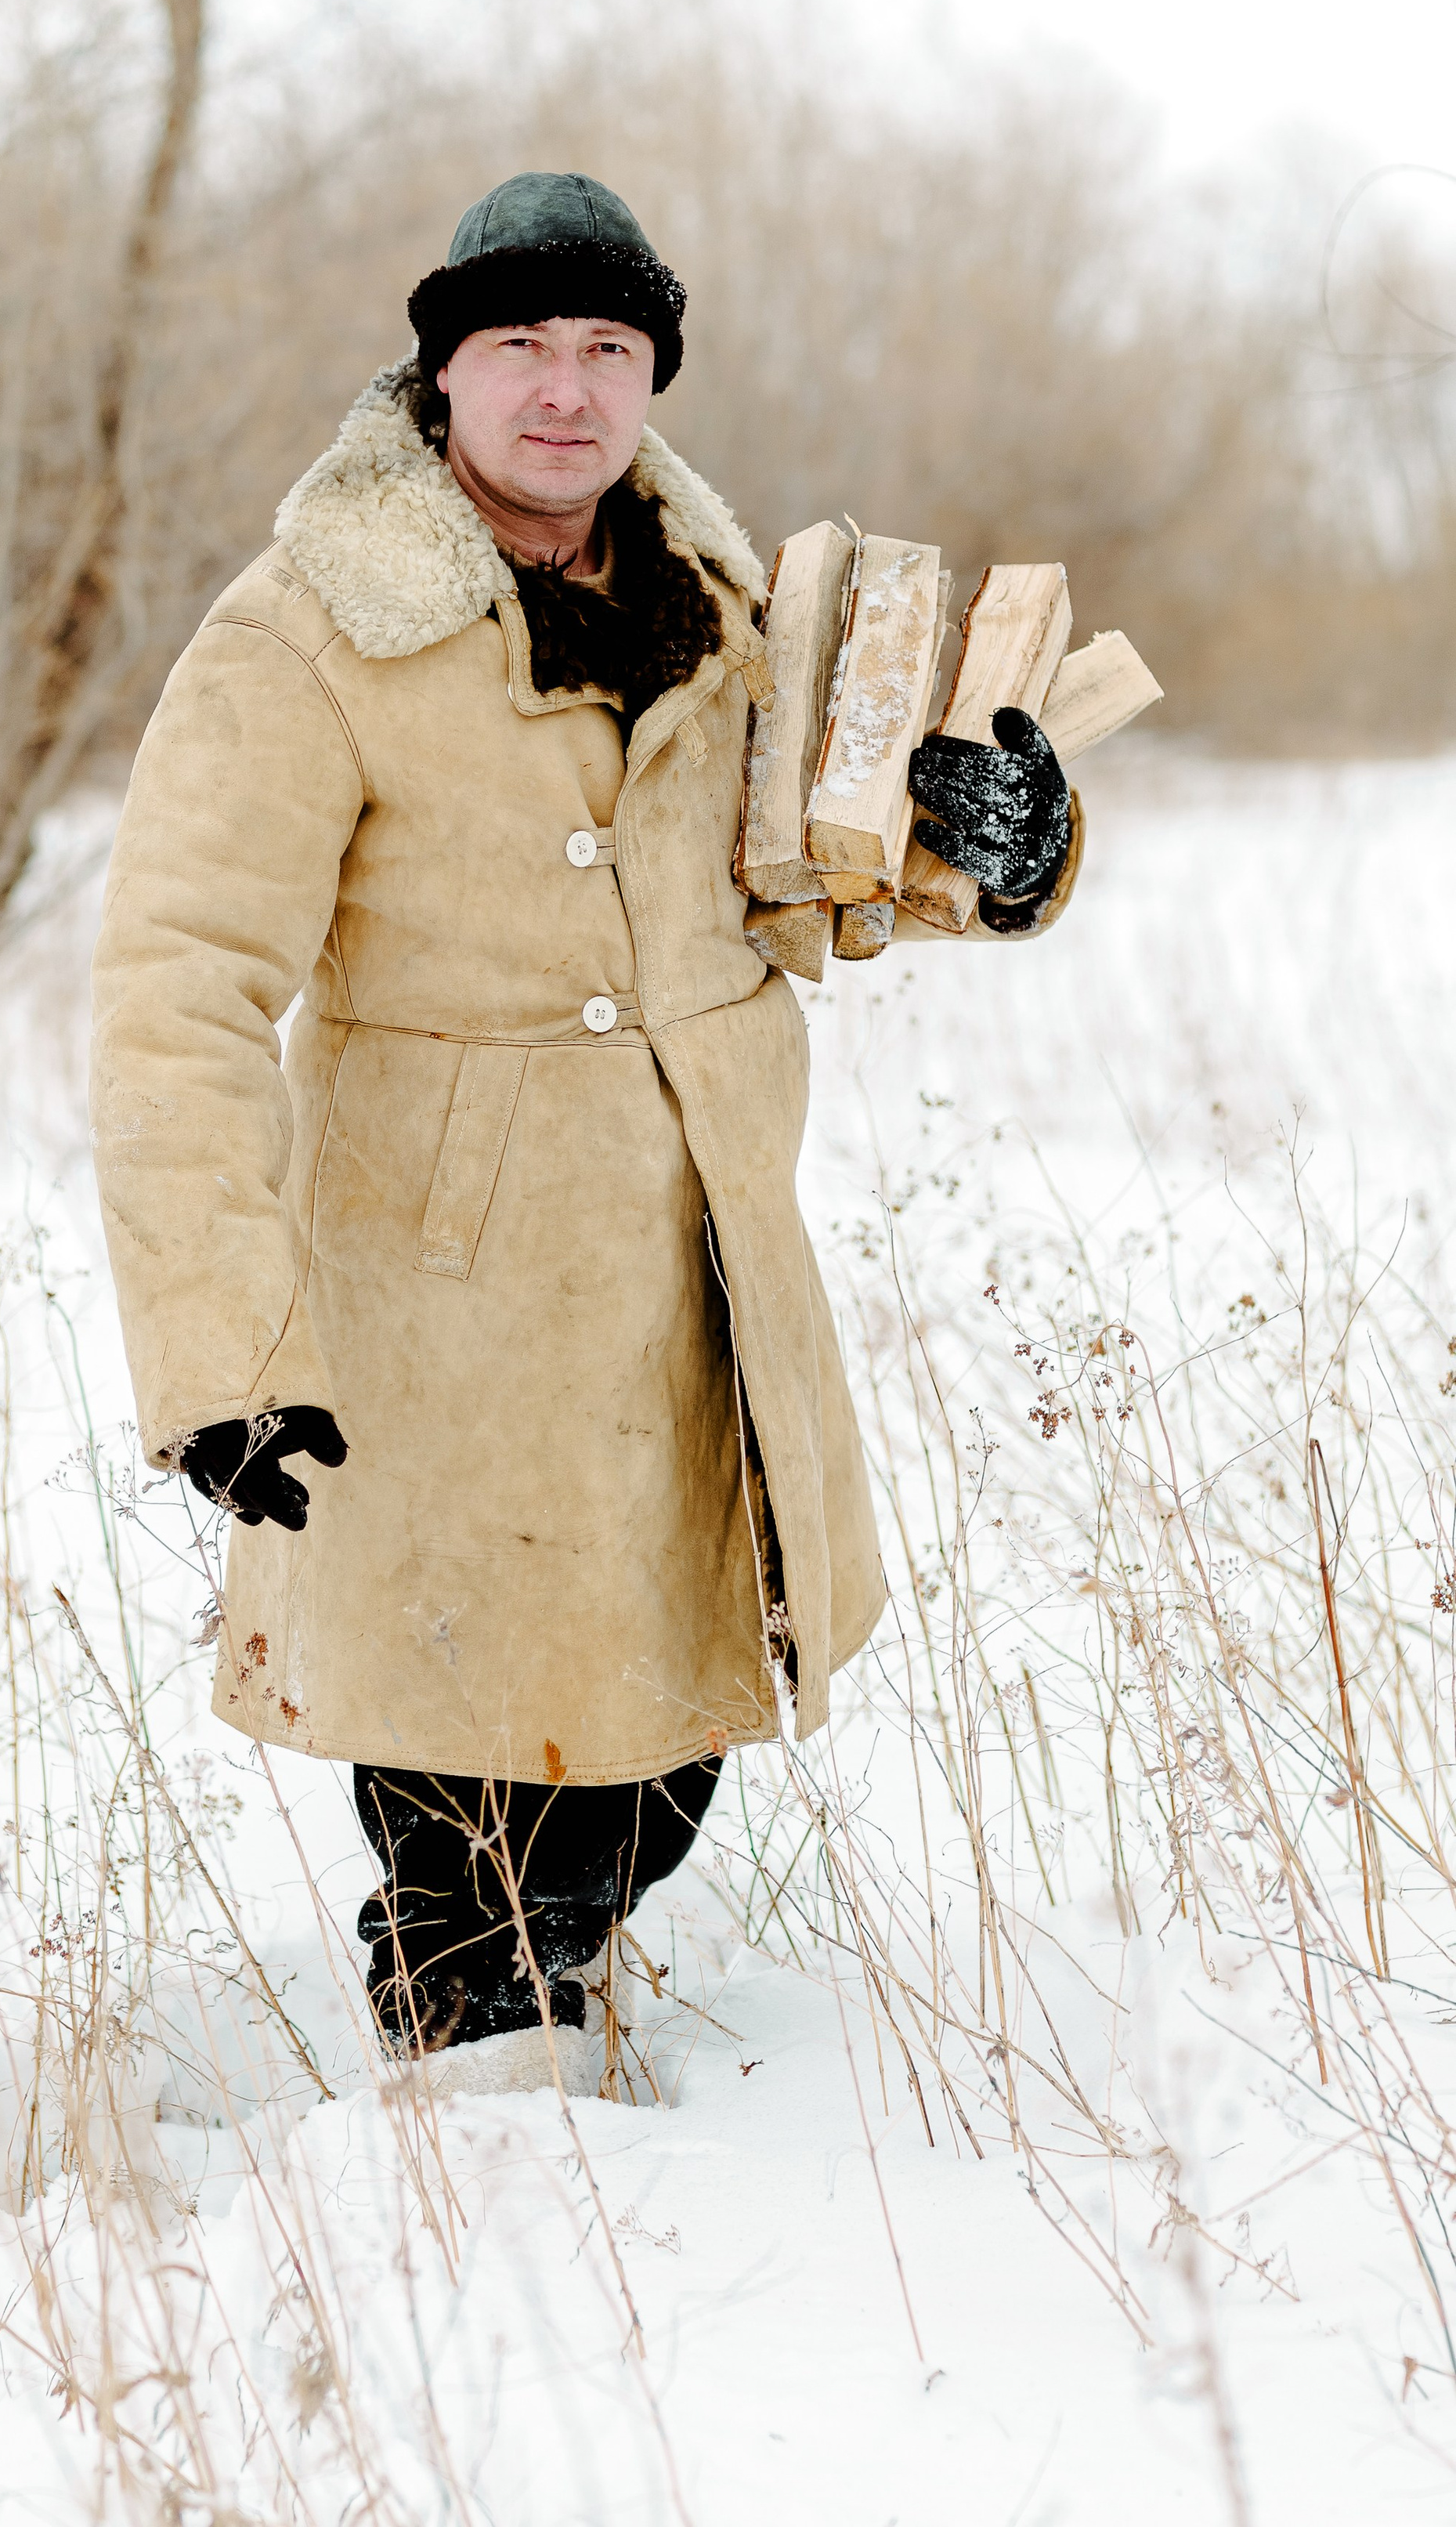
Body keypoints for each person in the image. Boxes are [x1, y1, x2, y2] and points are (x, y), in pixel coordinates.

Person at [89, 172, 1078, 2093]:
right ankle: (482, 2136)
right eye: (518, 347)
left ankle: (551, 2017)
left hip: (691, 1271)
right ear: (440, 371)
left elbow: (817, 888)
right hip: (439, 1296)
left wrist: (992, 846)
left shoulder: (728, 612)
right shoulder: (306, 630)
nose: (562, 390)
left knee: (669, 1723)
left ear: (649, 378)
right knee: (465, 1763)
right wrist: (222, 1350)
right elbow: (175, 990)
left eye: (605, 349)